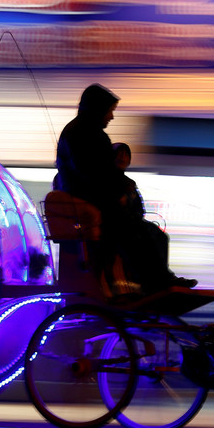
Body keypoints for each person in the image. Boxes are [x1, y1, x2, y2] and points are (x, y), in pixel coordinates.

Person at [54, 83, 195, 294]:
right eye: (109, 111)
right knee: (139, 233)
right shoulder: (84, 134)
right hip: (94, 202)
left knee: (148, 232)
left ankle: (159, 279)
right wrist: (118, 194)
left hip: (96, 199)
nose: (111, 117)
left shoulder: (83, 132)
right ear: (98, 108)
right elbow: (94, 174)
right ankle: (155, 282)